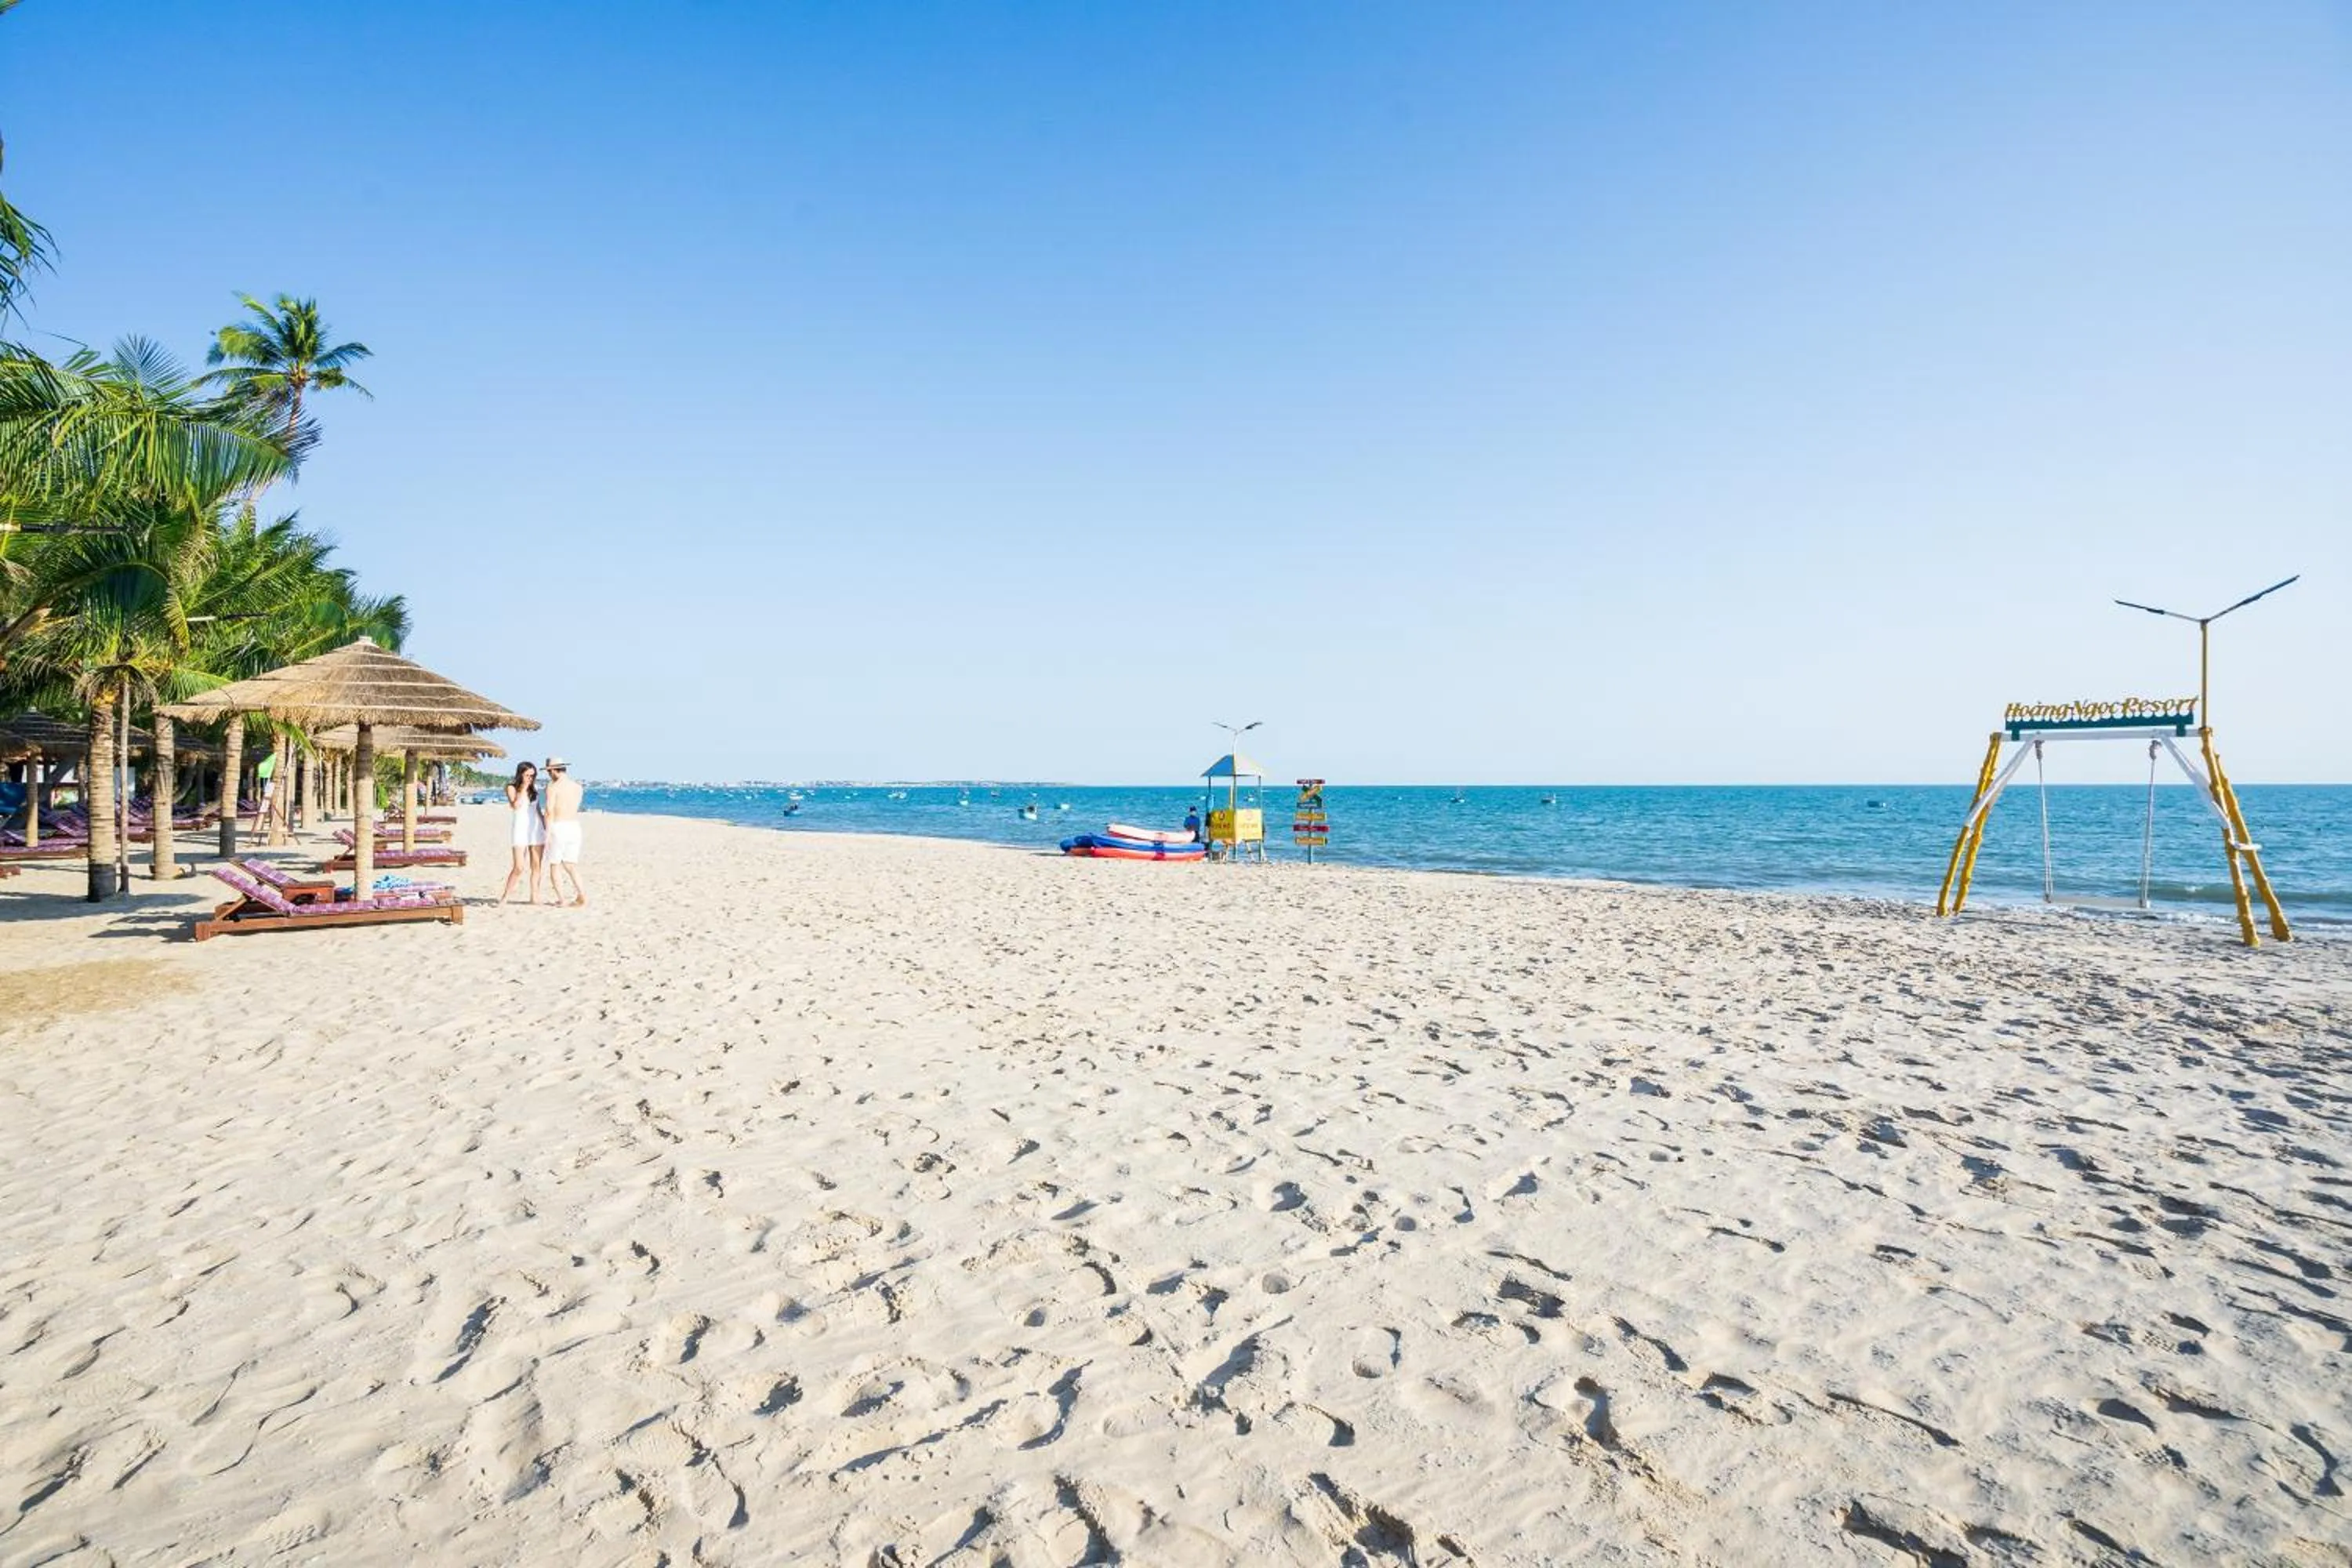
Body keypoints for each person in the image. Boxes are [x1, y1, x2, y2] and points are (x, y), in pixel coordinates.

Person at [542, 757, 588, 906]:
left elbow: (549, 811)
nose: (549, 775)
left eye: (549, 771)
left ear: (553, 770)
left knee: (554, 865)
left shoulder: (552, 787)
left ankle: (562, 900)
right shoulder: (578, 787)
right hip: (574, 827)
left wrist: (547, 832)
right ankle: (582, 895)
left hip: (558, 827)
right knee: (570, 864)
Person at [499, 760, 546, 906]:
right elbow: (515, 805)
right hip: (520, 830)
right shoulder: (511, 788)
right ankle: (505, 897)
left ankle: (534, 896)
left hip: (536, 829)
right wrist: (524, 787)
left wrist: (546, 827)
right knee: (519, 867)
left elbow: (538, 811)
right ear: (520, 774)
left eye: (533, 776)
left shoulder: (534, 789)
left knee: (536, 866)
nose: (530, 779)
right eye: (527, 775)